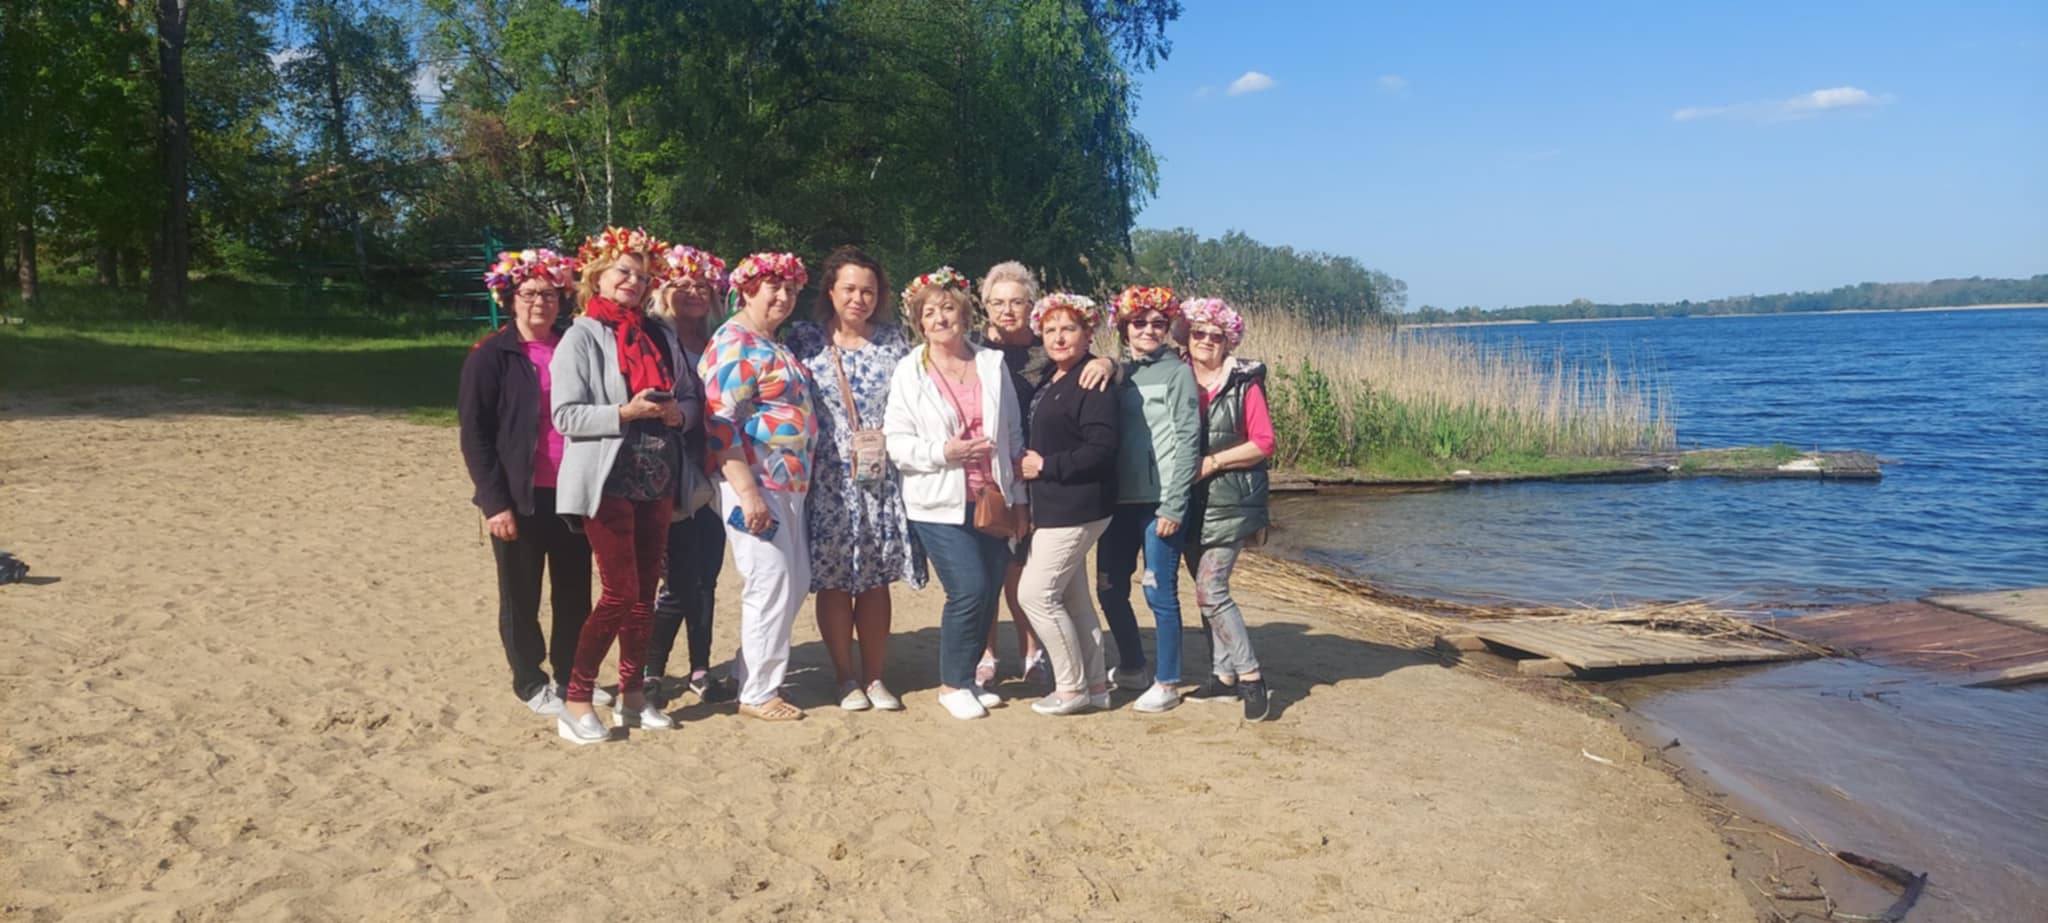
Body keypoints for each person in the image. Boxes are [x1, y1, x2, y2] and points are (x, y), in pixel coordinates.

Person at [550, 226, 700, 744]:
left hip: (657, 478)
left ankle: (632, 696)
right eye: (623, 272)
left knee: (644, 596)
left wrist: (679, 414)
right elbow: (566, 415)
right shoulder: (582, 336)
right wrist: (625, 411)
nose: (633, 282)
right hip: (607, 480)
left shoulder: (659, 334)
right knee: (619, 592)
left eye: (641, 276)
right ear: (597, 275)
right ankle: (576, 698)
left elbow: (690, 394)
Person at [786, 245, 924, 712]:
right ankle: (845, 677)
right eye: (849, 289)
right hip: (826, 481)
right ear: (831, 290)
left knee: (874, 579)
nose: (858, 299)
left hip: (877, 480)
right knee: (833, 581)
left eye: (868, 291)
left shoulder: (893, 342)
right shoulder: (804, 339)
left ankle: (876, 677)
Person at [883, 267, 1026, 719]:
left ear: (964, 313)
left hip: (991, 497)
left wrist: (1019, 495)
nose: (941, 318)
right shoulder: (910, 371)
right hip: (937, 501)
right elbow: (896, 443)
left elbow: (1012, 432)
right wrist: (945, 452)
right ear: (918, 322)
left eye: (948, 308)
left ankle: (969, 679)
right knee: (968, 588)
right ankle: (952, 685)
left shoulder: (991, 364)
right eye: (930, 313)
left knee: (989, 588)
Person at [459, 247, 590, 720]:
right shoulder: (491, 355)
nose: (540, 302)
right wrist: (494, 502)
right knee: (521, 594)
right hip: (519, 494)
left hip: (572, 491)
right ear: (510, 298)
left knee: (574, 593)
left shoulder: (573, 346)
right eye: (530, 293)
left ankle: (571, 675)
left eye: (550, 294)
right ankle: (530, 680)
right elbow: (475, 434)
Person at [975, 262, 1114, 687]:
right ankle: (986, 654)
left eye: (1017, 302)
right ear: (985, 307)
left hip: (1040, 479)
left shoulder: (1049, 347)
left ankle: (1033, 653)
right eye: (998, 302)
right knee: (986, 569)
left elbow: (1087, 367)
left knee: (1026, 570)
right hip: (987, 472)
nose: (1007, 310)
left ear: (1030, 306)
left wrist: (1110, 362)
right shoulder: (974, 349)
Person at [701, 252, 818, 722]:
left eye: (791, 289)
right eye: (774, 287)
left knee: (795, 581)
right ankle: (758, 693)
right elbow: (720, 423)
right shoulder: (734, 343)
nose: (784, 297)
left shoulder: (771, 342)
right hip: (754, 482)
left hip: (789, 484)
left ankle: (747, 670)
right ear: (747, 290)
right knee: (769, 580)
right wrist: (748, 493)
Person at [1096, 285, 1201, 714]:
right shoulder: (1118, 372)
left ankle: (1168, 681)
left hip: (1160, 502)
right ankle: (1133, 665)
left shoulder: (1178, 373)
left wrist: (1175, 504)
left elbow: (1188, 439)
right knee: (1108, 588)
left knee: (1159, 590)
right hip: (1118, 502)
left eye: (1158, 323)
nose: (1149, 330)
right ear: (1124, 327)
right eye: (1139, 322)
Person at [1015, 294, 1120, 716]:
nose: (1059, 338)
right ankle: (1096, 685)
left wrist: (1045, 466)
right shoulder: (1052, 376)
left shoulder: (1091, 379)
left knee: (1035, 595)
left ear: (1088, 333)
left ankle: (1071, 688)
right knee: (1074, 600)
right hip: (1056, 504)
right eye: (1051, 329)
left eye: (1069, 329)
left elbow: (1102, 448)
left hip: (1077, 505)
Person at [643, 243, 736, 705]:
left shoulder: (722, 339)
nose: (694, 292)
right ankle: (652, 670)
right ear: (664, 291)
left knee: (707, 577)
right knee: (677, 581)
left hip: (717, 470)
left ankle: (701, 667)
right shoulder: (656, 339)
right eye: (682, 284)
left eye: (702, 285)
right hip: (672, 471)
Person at [1176, 298, 1275, 720]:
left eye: (1216, 335)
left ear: (1229, 340)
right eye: (1198, 333)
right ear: (1186, 336)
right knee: (1203, 590)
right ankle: (1222, 676)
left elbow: (1263, 442)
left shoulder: (1243, 383)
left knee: (1210, 589)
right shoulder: (1176, 375)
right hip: (1188, 502)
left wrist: (1214, 462)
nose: (1206, 341)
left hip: (1231, 500)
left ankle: (1252, 678)